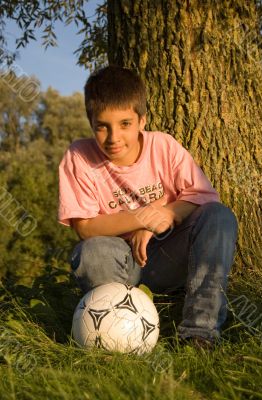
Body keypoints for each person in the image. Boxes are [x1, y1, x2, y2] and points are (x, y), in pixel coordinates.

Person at [58, 65, 238, 347]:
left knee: (219, 217)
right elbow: (86, 227)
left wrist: (165, 214)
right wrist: (143, 218)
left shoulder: (163, 146)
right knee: (90, 253)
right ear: (91, 122)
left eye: (125, 124)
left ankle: (199, 332)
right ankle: (120, 333)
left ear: (142, 120)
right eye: (102, 126)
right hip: (119, 263)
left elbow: (202, 195)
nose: (113, 137)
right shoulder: (79, 157)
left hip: (167, 254)